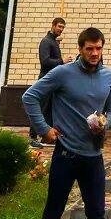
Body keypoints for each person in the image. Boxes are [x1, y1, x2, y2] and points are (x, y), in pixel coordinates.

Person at [22, 26, 111, 219]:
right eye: (90, 49)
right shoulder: (63, 73)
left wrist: (106, 122)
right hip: (66, 154)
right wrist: (44, 129)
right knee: (53, 214)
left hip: (94, 155)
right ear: (80, 49)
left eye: (98, 48)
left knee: (97, 215)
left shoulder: (109, 76)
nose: (95, 53)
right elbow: (30, 97)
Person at [29, 16, 74, 147]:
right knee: (40, 108)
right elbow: (45, 62)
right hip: (45, 80)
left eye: (63, 27)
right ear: (53, 25)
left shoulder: (54, 42)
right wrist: (62, 61)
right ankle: (32, 137)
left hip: (53, 81)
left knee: (49, 110)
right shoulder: (46, 42)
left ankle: (46, 137)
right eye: (59, 26)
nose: (61, 29)